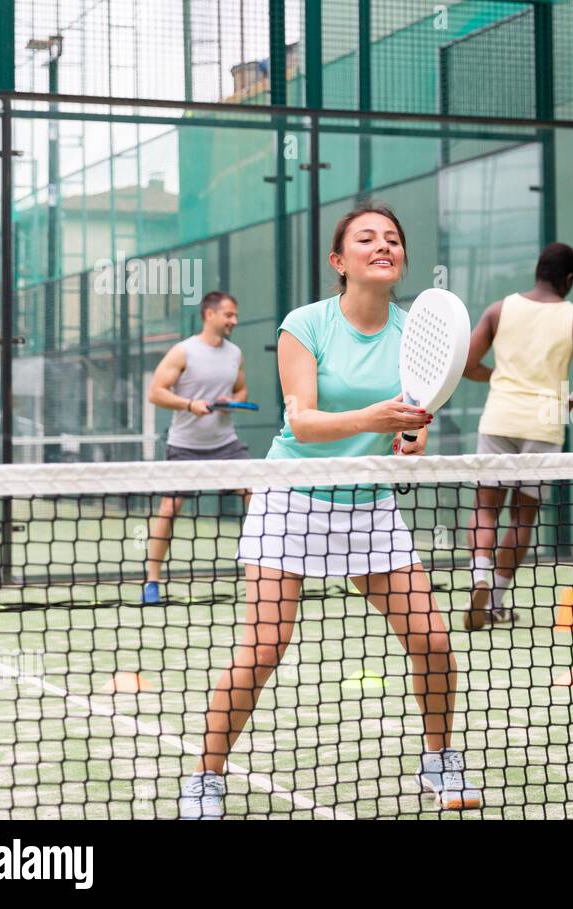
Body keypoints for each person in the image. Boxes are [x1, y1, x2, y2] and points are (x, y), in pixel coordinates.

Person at [178, 204, 482, 818]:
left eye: (393, 239)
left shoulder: (413, 333)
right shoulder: (305, 324)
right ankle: (206, 778)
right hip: (291, 498)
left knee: (433, 641)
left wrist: (411, 439)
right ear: (340, 262)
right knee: (264, 649)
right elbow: (302, 421)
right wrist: (375, 419)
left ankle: (440, 760)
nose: (383, 246)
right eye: (366, 238)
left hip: (368, 506)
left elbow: (414, 428)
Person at [461, 242, 573, 631]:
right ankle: (495, 600)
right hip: (543, 424)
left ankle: (479, 574)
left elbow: (466, 364)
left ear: (537, 270)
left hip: (499, 418)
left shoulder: (498, 309)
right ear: (569, 278)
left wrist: (499, 378)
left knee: (486, 507)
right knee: (522, 518)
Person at [144, 291, 250, 605]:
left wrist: (231, 403)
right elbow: (156, 393)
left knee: (259, 497)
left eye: (235, 315)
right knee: (170, 508)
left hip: (226, 444)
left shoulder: (235, 354)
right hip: (185, 446)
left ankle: (264, 571)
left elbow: (242, 389)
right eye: (229, 315)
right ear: (210, 315)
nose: (234, 320)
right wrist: (190, 404)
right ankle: (152, 580)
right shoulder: (183, 352)